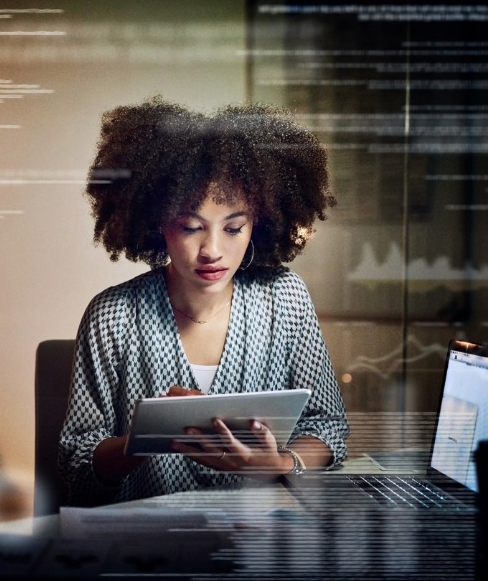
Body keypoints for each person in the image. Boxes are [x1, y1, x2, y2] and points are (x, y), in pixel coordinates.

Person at [58, 96, 349, 506]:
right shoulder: (112, 316)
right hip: (146, 547)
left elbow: (329, 427)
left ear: (258, 225)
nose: (212, 249)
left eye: (233, 228)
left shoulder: (285, 298)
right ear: (159, 225)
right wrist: (144, 438)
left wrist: (281, 463)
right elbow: (77, 469)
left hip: (257, 542)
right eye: (191, 226)